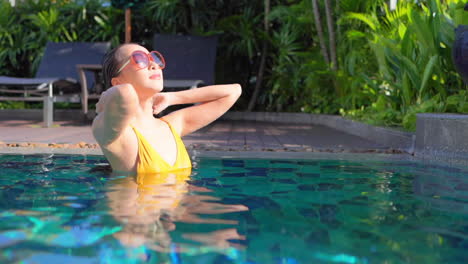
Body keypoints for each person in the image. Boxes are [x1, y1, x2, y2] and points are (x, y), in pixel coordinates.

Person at [92, 43, 242, 174]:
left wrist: (173, 98)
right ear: (117, 81)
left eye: (153, 58)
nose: (154, 65)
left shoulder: (172, 125)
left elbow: (233, 91)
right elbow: (126, 94)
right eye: (139, 59)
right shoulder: (112, 132)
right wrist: (107, 97)